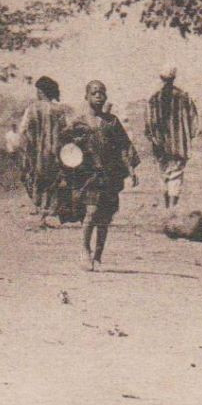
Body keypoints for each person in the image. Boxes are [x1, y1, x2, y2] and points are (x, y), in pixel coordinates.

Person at [62, 79, 140, 270]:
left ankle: (98, 256)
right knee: (91, 212)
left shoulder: (111, 121)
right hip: (88, 175)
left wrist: (131, 169)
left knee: (104, 217)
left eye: (102, 93)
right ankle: (84, 251)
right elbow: (65, 147)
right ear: (86, 96)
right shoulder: (78, 122)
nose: (98, 96)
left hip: (109, 174)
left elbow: (123, 147)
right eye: (95, 93)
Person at [15, 76, 73, 227]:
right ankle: (49, 212)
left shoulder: (33, 108)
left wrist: (24, 150)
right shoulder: (59, 110)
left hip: (36, 154)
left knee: (35, 180)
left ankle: (40, 214)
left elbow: (23, 130)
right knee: (53, 182)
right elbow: (65, 132)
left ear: (40, 91)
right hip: (55, 153)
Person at [145, 66, 198, 210]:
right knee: (176, 174)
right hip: (179, 144)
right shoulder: (184, 96)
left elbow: (148, 124)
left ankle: (168, 206)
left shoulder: (154, 97)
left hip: (161, 144)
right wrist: (188, 137)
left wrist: (153, 138)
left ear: (161, 78)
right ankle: (172, 207)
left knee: (164, 174)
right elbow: (194, 120)